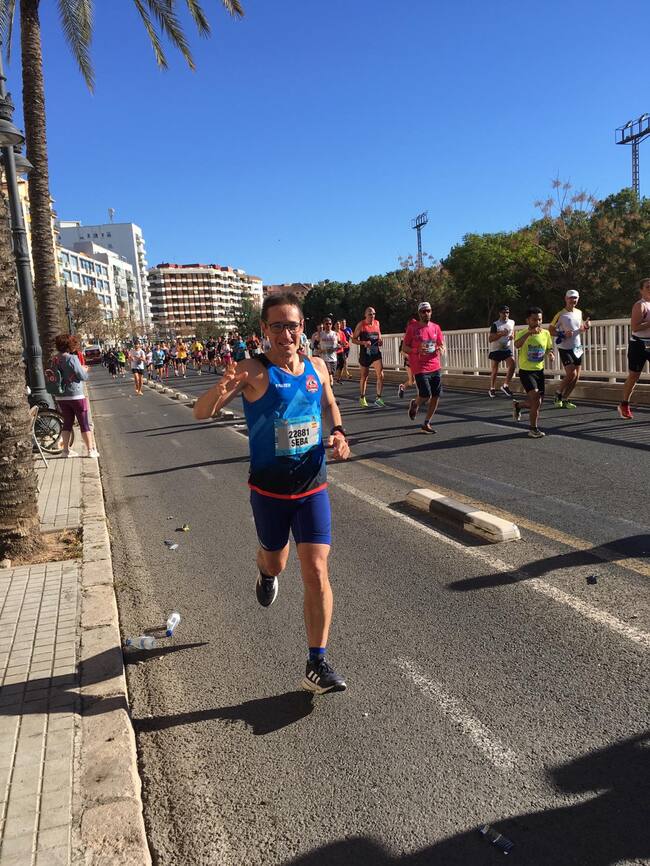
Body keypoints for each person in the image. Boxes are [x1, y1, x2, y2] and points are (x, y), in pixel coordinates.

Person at [194, 292, 350, 694]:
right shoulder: (251, 371)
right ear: (264, 330)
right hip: (269, 491)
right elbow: (201, 412)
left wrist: (338, 433)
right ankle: (264, 571)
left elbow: (330, 405)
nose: (286, 333)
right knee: (277, 563)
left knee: (316, 570)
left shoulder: (317, 367)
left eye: (292, 325)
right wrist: (220, 387)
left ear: (304, 327)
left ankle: (317, 661)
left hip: (312, 486)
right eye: (277, 326)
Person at [50, 334, 99, 458]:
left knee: (67, 423)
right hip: (75, 395)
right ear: (69, 345)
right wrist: (85, 370)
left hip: (61, 396)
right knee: (84, 423)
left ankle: (65, 451)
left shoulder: (54, 359)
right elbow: (82, 376)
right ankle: (90, 450)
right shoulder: (72, 358)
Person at [511, 307, 554, 438]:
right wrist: (529, 333)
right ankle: (533, 429)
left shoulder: (545, 333)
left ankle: (518, 405)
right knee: (535, 398)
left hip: (539, 371)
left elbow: (548, 348)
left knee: (537, 403)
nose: (537, 322)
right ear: (528, 320)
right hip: (526, 372)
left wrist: (550, 354)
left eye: (540, 319)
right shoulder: (522, 333)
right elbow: (517, 344)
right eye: (534, 319)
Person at [403, 302, 445, 433]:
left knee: (436, 395)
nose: (426, 313)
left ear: (431, 312)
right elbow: (404, 347)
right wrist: (416, 350)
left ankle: (427, 423)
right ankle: (415, 404)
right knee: (426, 394)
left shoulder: (436, 327)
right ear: (419, 313)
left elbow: (441, 344)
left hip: (435, 365)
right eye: (423, 311)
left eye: (428, 311)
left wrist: (441, 349)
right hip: (420, 367)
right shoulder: (412, 328)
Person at [549, 290, 590, 410]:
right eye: (571, 298)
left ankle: (565, 398)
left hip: (577, 347)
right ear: (566, 299)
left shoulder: (579, 312)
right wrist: (562, 334)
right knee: (571, 373)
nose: (573, 300)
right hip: (565, 347)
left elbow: (580, 327)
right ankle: (558, 394)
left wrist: (585, 327)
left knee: (577, 376)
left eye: (575, 298)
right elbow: (551, 330)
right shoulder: (560, 314)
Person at [618, 278, 650, 419]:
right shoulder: (640, 305)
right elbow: (635, 327)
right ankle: (624, 404)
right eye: (648, 287)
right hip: (638, 344)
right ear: (641, 290)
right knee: (634, 376)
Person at [352, 307, 385, 407]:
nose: (372, 316)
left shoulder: (377, 323)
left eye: (374, 314)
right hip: (365, 354)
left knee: (381, 375)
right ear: (365, 315)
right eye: (370, 314)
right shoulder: (361, 325)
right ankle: (362, 397)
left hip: (375, 353)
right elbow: (353, 339)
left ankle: (378, 398)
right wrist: (363, 342)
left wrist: (380, 341)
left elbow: (379, 336)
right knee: (364, 376)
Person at [488, 305, 515, 398]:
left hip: (506, 349)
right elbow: (490, 339)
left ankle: (505, 386)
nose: (506, 314)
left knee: (513, 364)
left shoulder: (512, 322)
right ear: (500, 313)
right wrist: (500, 334)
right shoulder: (495, 324)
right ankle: (492, 388)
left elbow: (512, 332)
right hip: (496, 349)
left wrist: (512, 337)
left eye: (507, 312)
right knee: (495, 369)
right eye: (504, 312)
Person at [315, 317, 339, 386]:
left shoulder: (335, 334)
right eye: (327, 324)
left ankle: (326, 388)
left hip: (333, 358)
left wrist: (338, 347)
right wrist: (320, 350)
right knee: (330, 375)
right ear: (324, 325)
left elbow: (339, 344)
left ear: (332, 325)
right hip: (324, 358)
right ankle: (329, 391)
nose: (328, 325)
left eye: (330, 324)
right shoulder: (320, 334)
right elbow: (315, 345)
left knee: (331, 375)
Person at [397, 318, 417, 399]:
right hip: (408, 361)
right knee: (411, 381)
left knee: (418, 380)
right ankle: (402, 387)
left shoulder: (419, 335)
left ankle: (421, 397)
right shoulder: (405, 337)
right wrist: (408, 356)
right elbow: (401, 351)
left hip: (417, 361)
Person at [333, 320, 349, 384]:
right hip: (334, 352)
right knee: (335, 366)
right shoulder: (332, 333)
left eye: (339, 324)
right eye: (337, 324)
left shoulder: (342, 333)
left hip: (341, 350)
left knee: (342, 364)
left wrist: (345, 343)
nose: (338, 325)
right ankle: (332, 377)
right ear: (334, 326)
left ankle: (338, 378)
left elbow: (344, 341)